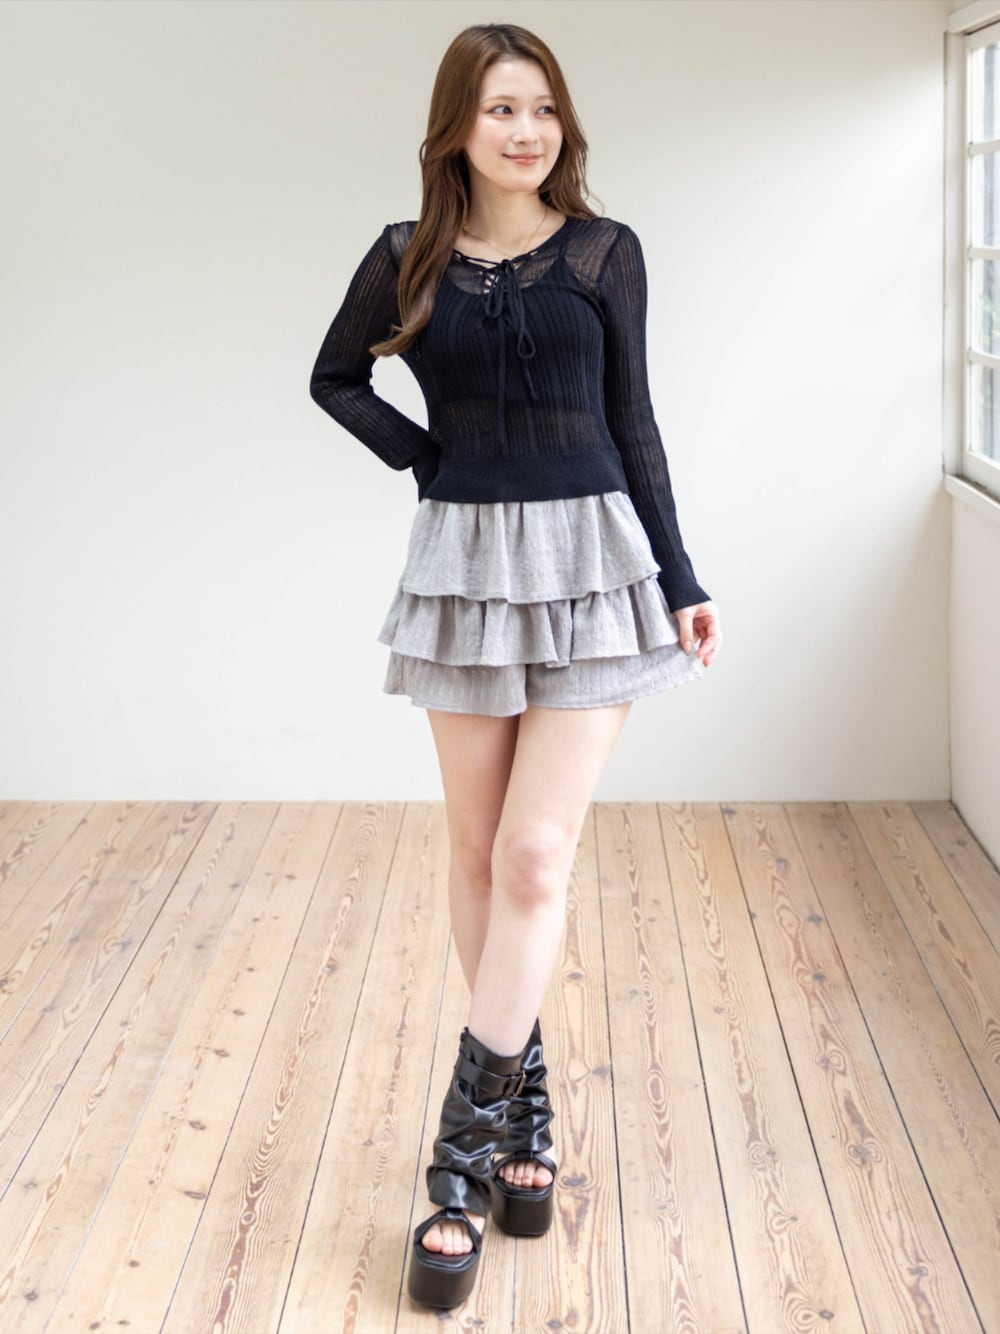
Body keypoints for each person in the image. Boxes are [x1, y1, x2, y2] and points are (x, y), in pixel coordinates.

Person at [309, 21, 722, 1310]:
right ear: (456, 128)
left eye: (542, 108)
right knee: (480, 853)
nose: (526, 130)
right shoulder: (408, 256)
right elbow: (334, 379)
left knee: (538, 856)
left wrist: (681, 576)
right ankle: (527, 1119)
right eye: (500, 109)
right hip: (467, 565)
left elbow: (633, 417)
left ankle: (457, 1157)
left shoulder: (604, 252)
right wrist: (430, 461)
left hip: (597, 560)